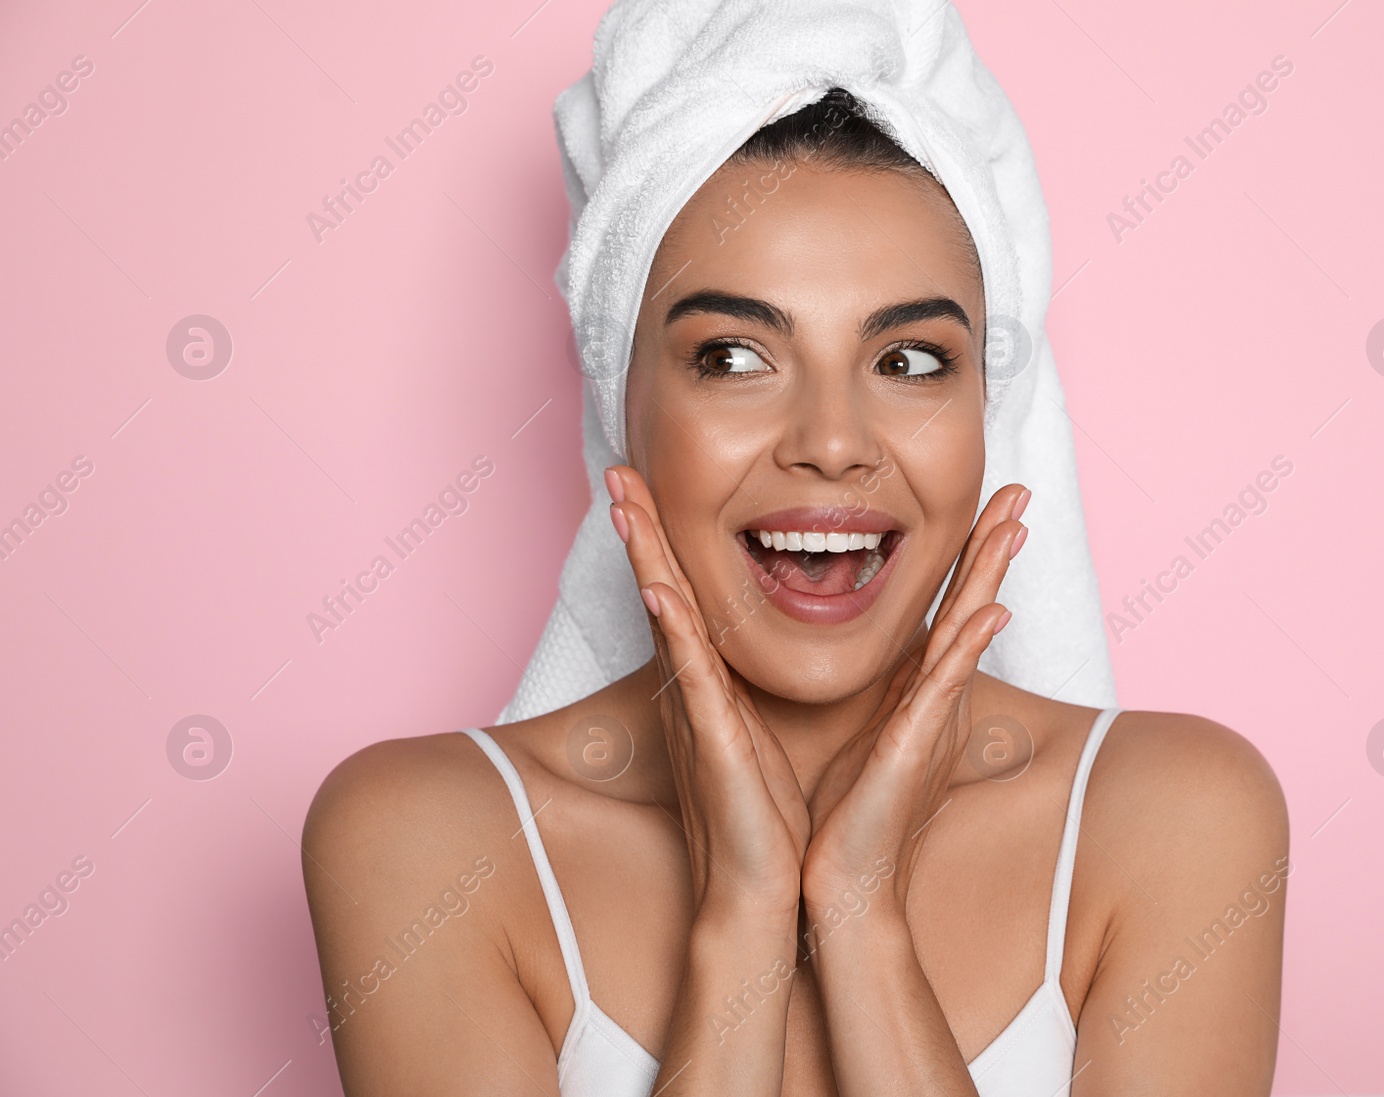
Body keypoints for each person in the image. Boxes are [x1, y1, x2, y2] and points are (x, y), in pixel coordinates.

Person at [303, 42, 1287, 1097]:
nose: (831, 440)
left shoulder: (1178, 817)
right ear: (617, 401)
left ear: (984, 415)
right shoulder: (422, 840)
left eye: (908, 360)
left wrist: (861, 915)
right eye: (732, 356)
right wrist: (741, 919)